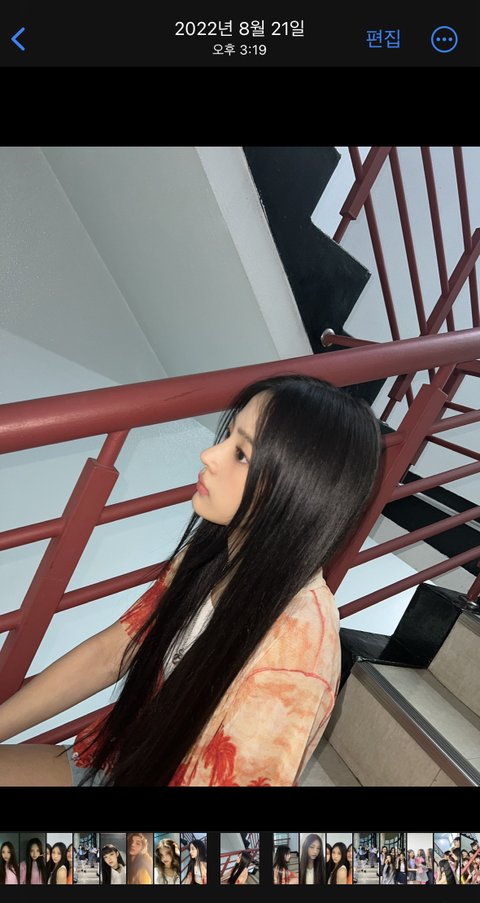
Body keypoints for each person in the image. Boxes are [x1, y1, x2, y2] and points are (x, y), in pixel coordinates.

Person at [0, 375, 381, 787]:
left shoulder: (293, 664)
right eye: (229, 436)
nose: (209, 455)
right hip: (116, 763)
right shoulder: (217, 550)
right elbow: (115, 651)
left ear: (299, 490)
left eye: (241, 454)